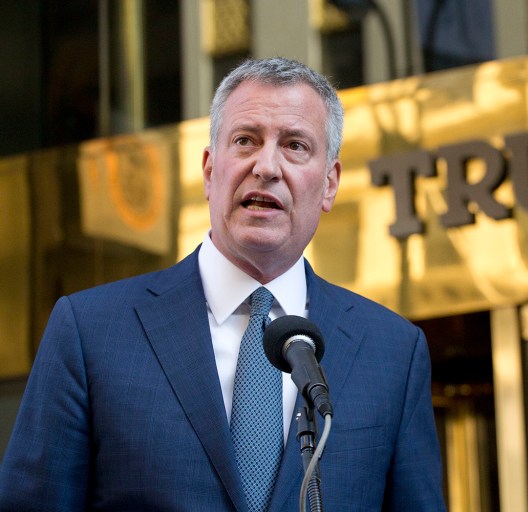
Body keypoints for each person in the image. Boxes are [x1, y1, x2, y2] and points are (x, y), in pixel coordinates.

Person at [0, 57, 446, 511]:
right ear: (210, 170)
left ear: (330, 184)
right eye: (245, 140)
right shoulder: (91, 332)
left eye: (295, 146)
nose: (266, 166)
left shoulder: (393, 352)